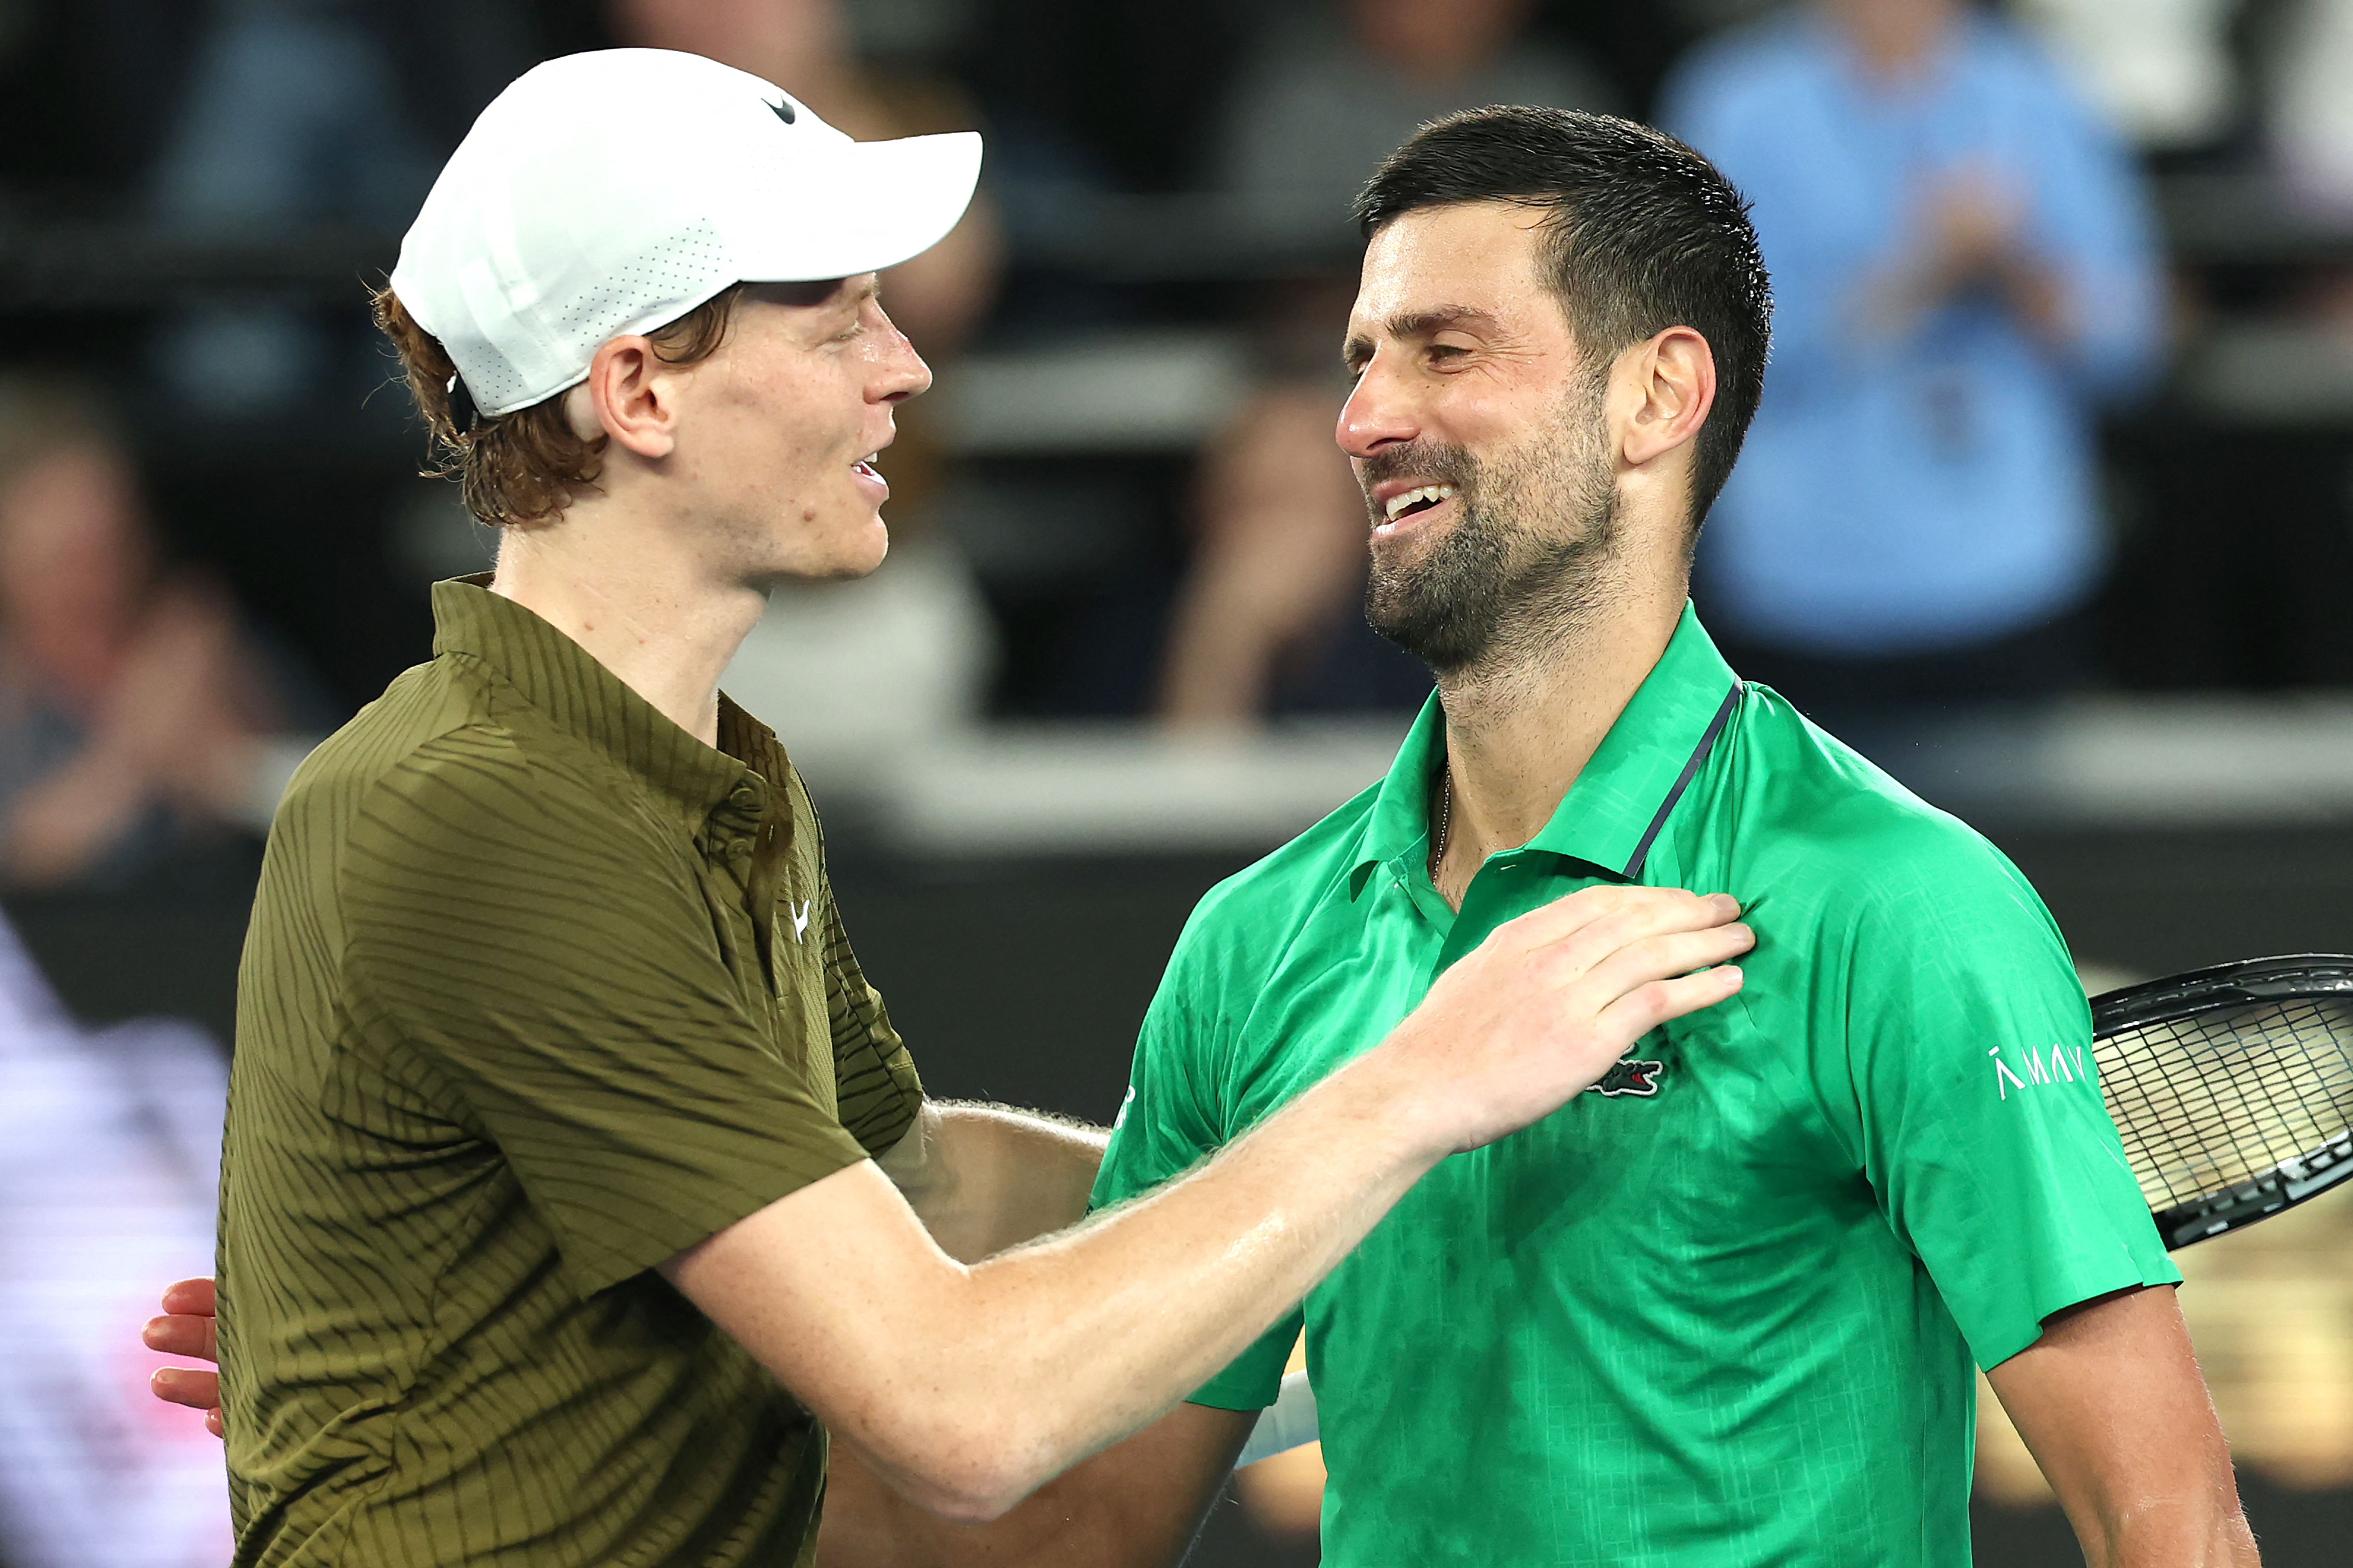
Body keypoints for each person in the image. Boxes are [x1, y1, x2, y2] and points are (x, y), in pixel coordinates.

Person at [146, 95, 2254, 1568]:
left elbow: (908, 1187)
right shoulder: (1260, 951)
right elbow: (998, 1454)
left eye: (1439, 348)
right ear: (634, 391)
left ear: (1651, 398)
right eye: (1355, 355)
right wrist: (1418, 1100)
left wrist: (540, 1325)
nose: (1356, 415)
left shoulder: (1893, 901)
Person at [1660, 0, 2163, 743]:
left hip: (2009, 578)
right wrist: (1917, 273)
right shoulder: (1737, 100)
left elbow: (2131, 347)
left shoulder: (2038, 90)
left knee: (2006, 854)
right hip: (1802, 589)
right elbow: (1702, 356)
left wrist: (2017, 268)